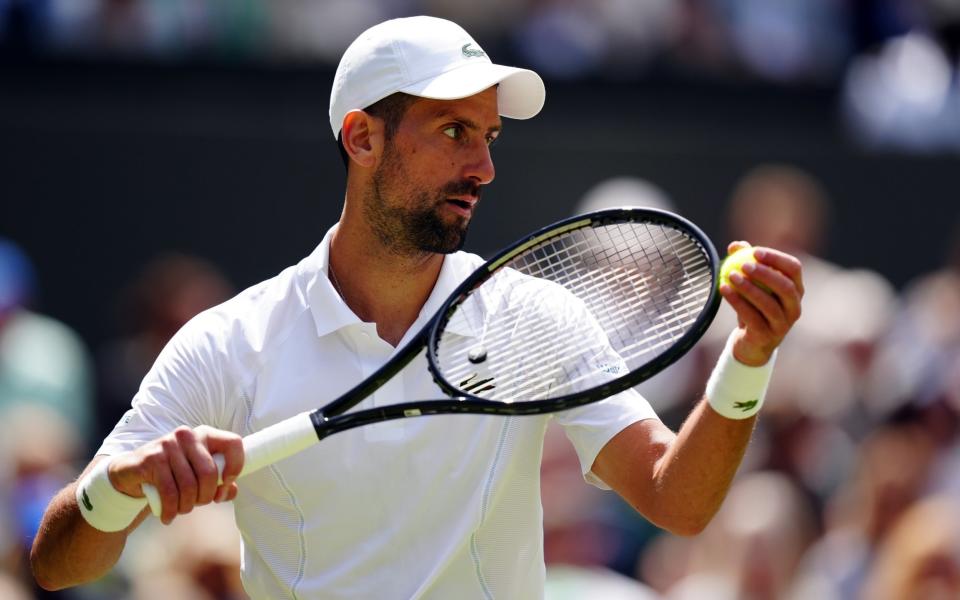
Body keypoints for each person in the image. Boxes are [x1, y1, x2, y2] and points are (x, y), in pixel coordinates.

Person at [30, 15, 804, 599]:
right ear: (362, 138)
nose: (485, 166)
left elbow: (678, 498)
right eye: (455, 131)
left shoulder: (533, 316)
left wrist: (750, 358)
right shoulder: (230, 342)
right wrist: (118, 487)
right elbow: (59, 561)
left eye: (491, 135)